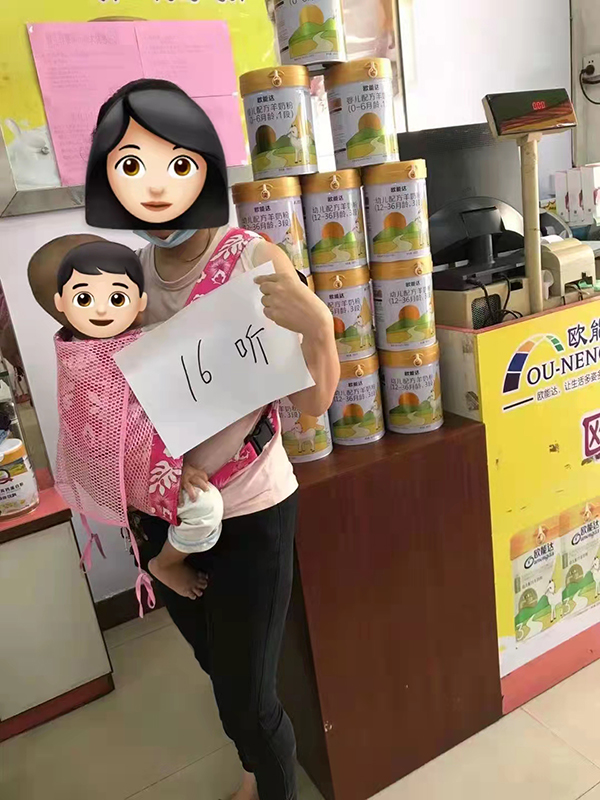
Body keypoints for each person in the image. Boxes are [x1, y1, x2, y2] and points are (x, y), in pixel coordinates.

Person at [86, 78, 340, 800]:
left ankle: (271, 783)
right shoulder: (127, 278)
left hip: (252, 508)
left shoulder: (251, 258)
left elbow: (312, 403)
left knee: (249, 697)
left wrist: (321, 328)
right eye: (129, 169)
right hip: (164, 516)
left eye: (174, 165)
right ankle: (257, 770)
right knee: (217, 667)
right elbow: (117, 399)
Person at [52, 239, 224, 598]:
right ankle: (166, 563)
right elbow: (114, 431)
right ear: (61, 304)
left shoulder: (143, 340)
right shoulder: (79, 360)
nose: (101, 309)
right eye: (85, 298)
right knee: (205, 509)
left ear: (139, 304)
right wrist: (172, 468)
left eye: (116, 298)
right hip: (126, 470)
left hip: (138, 468)